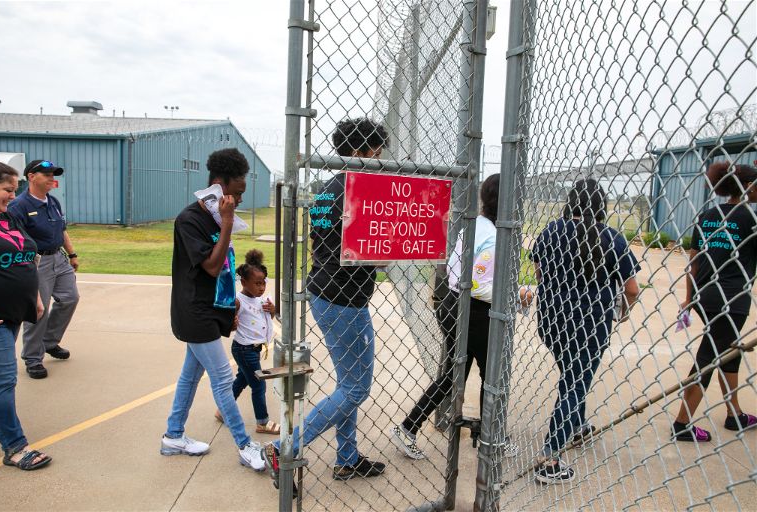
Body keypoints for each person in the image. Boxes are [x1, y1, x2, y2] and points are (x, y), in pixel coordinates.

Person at [262, 118, 389, 487]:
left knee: (346, 383)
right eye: (377, 151)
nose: (380, 158)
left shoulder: (325, 191)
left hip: (325, 291)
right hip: (345, 300)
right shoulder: (358, 192)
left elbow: (320, 243)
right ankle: (285, 447)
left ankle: (347, 457)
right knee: (356, 388)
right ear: (362, 151)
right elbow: (377, 257)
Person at [389, 173, 525, 460]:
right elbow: (476, 284)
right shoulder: (492, 237)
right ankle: (494, 438)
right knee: (490, 376)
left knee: (454, 374)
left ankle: (408, 427)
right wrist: (514, 296)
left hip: (454, 305)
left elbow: (458, 272)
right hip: (474, 311)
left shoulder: (476, 225)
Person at [161, 148, 264, 471]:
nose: (240, 199)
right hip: (193, 312)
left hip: (209, 309)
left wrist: (229, 305)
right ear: (220, 185)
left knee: (190, 376)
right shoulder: (191, 219)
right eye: (237, 192)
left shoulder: (215, 217)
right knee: (222, 379)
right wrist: (229, 222)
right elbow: (210, 265)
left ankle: (173, 435)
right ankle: (246, 446)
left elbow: (225, 271)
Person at [531, 178, 640, 484]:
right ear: (601, 205)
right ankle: (549, 457)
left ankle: (575, 424)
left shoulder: (552, 230)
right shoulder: (612, 238)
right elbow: (632, 288)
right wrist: (623, 311)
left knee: (571, 374)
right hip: (591, 325)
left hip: (551, 321)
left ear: (571, 202)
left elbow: (539, 274)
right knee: (576, 382)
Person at [672, 162, 757, 442]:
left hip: (704, 296)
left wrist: (688, 298)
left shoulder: (708, 215)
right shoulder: (749, 220)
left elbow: (693, 263)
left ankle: (735, 415)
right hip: (732, 300)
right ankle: (682, 424)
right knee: (709, 358)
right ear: (747, 187)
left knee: (727, 353)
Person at [0, 160, 51, 470]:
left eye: (16, 191)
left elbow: (27, 260)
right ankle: (14, 447)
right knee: (3, 380)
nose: (13, 197)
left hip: (13, 313)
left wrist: (35, 296)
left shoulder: (7, 219)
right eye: (7, 190)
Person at [8, 159, 79, 379]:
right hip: (36, 262)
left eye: (53, 175)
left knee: (70, 298)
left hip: (59, 257)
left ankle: (49, 342)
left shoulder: (53, 202)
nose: (52, 178)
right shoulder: (18, 206)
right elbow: (15, 239)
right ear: (31, 177)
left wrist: (73, 254)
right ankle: (32, 358)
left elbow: (62, 229)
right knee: (38, 310)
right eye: (47, 174)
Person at [214, 249, 280, 435]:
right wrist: (231, 322)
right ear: (243, 282)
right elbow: (228, 323)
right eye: (257, 283)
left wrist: (272, 310)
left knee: (242, 379)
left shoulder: (263, 299)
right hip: (243, 349)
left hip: (254, 349)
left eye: (264, 283)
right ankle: (262, 422)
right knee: (258, 385)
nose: (261, 287)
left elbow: (270, 319)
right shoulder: (238, 301)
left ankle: (222, 410)